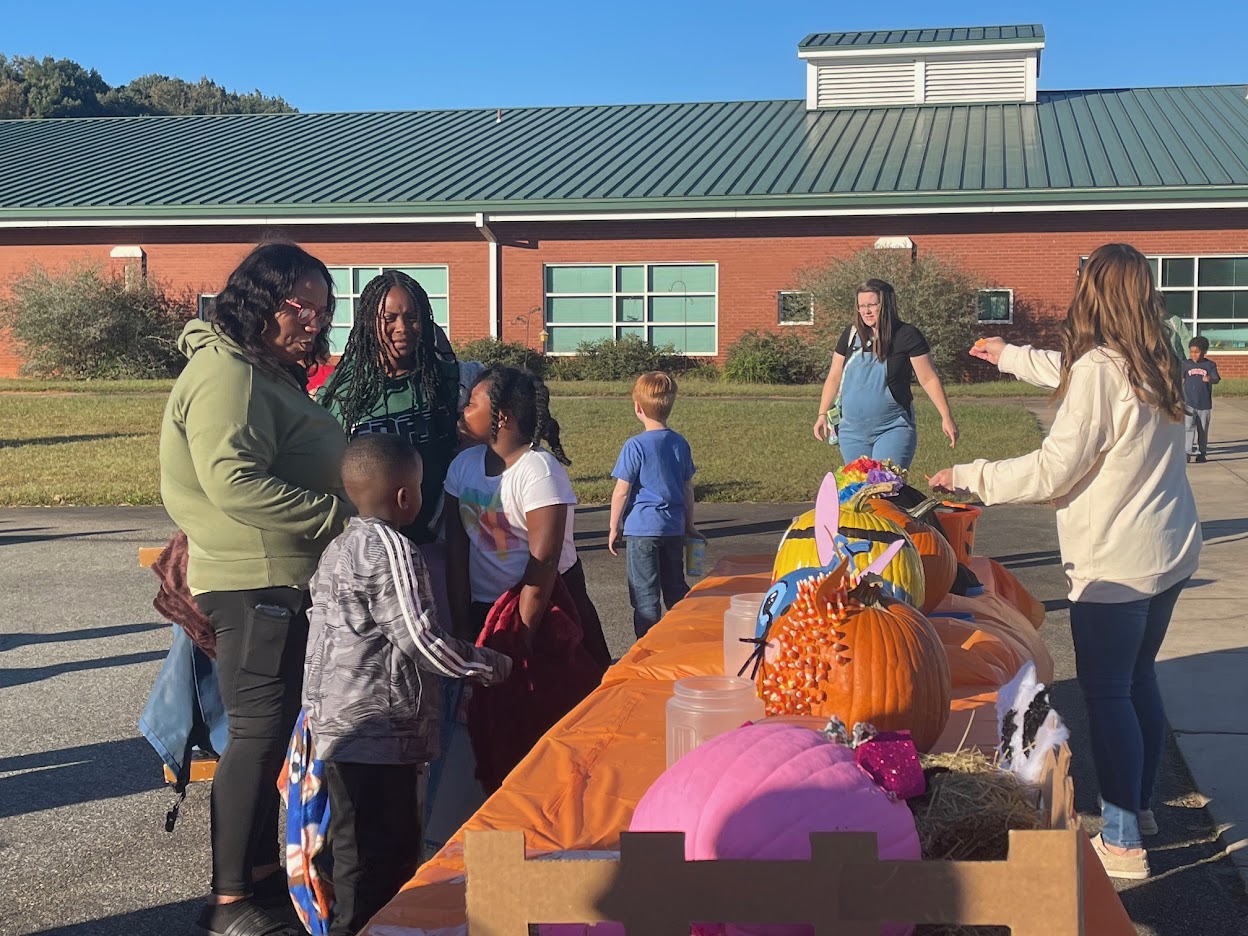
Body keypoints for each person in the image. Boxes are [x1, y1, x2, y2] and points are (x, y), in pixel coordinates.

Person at [929, 243, 1202, 881]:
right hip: (1168, 555)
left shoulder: (1103, 370)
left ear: (1094, 296)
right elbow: (1071, 371)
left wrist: (972, 475)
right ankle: (1140, 806)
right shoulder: (1155, 358)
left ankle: (1125, 840)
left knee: (1109, 693)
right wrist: (1010, 355)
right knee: (1139, 680)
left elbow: (1056, 465)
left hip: (1116, 564)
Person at [160, 242, 351, 936]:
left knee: (271, 740)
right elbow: (232, 480)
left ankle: (262, 876)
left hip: (279, 576)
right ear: (261, 297)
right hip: (253, 580)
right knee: (256, 734)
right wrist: (339, 516)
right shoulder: (228, 374)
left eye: (323, 311)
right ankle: (231, 901)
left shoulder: (260, 372)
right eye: (304, 305)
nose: (313, 321)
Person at [302, 433, 511, 936]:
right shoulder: (391, 548)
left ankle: (352, 926)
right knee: (390, 855)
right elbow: (420, 638)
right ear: (404, 496)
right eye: (419, 486)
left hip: (336, 727)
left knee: (353, 852)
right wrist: (487, 665)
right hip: (380, 731)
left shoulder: (338, 548)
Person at [444, 366, 611, 669]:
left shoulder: (539, 472)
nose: (462, 411)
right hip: (487, 606)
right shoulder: (462, 467)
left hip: (548, 605)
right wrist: (461, 622)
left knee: (558, 704)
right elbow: (456, 548)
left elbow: (544, 564)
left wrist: (520, 637)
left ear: (502, 416)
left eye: (471, 404)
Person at [319, 270, 462, 546]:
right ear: (369, 323)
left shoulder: (449, 380)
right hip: (370, 548)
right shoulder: (344, 391)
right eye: (389, 318)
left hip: (436, 541)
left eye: (412, 318)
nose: (402, 328)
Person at [812, 278, 958, 468]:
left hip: (893, 428)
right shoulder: (851, 335)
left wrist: (946, 417)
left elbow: (928, 378)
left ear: (886, 304)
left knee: (885, 489)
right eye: (861, 306)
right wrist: (822, 414)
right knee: (859, 491)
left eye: (872, 304)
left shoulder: (907, 335)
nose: (866, 311)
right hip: (851, 432)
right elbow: (834, 376)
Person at [607, 372, 699, 638]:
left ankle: (648, 648)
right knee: (675, 587)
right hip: (672, 528)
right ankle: (686, 635)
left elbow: (622, 491)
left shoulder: (635, 445)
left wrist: (614, 525)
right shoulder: (680, 443)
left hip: (642, 529)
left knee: (645, 596)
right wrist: (689, 523)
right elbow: (687, 488)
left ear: (638, 408)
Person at [1182, 335, 1220, 463]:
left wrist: (1210, 379)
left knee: (1202, 429)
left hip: (1204, 404)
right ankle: (1187, 452)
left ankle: (1202, 453)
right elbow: (1179, 379)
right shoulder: (1185, 364)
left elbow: (1217, 379)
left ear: (1204, 352)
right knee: (1188, 428)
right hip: (1188, 403)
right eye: (1191, 352)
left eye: (1197, 352)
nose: (1194, 355)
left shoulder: (1210, 365)